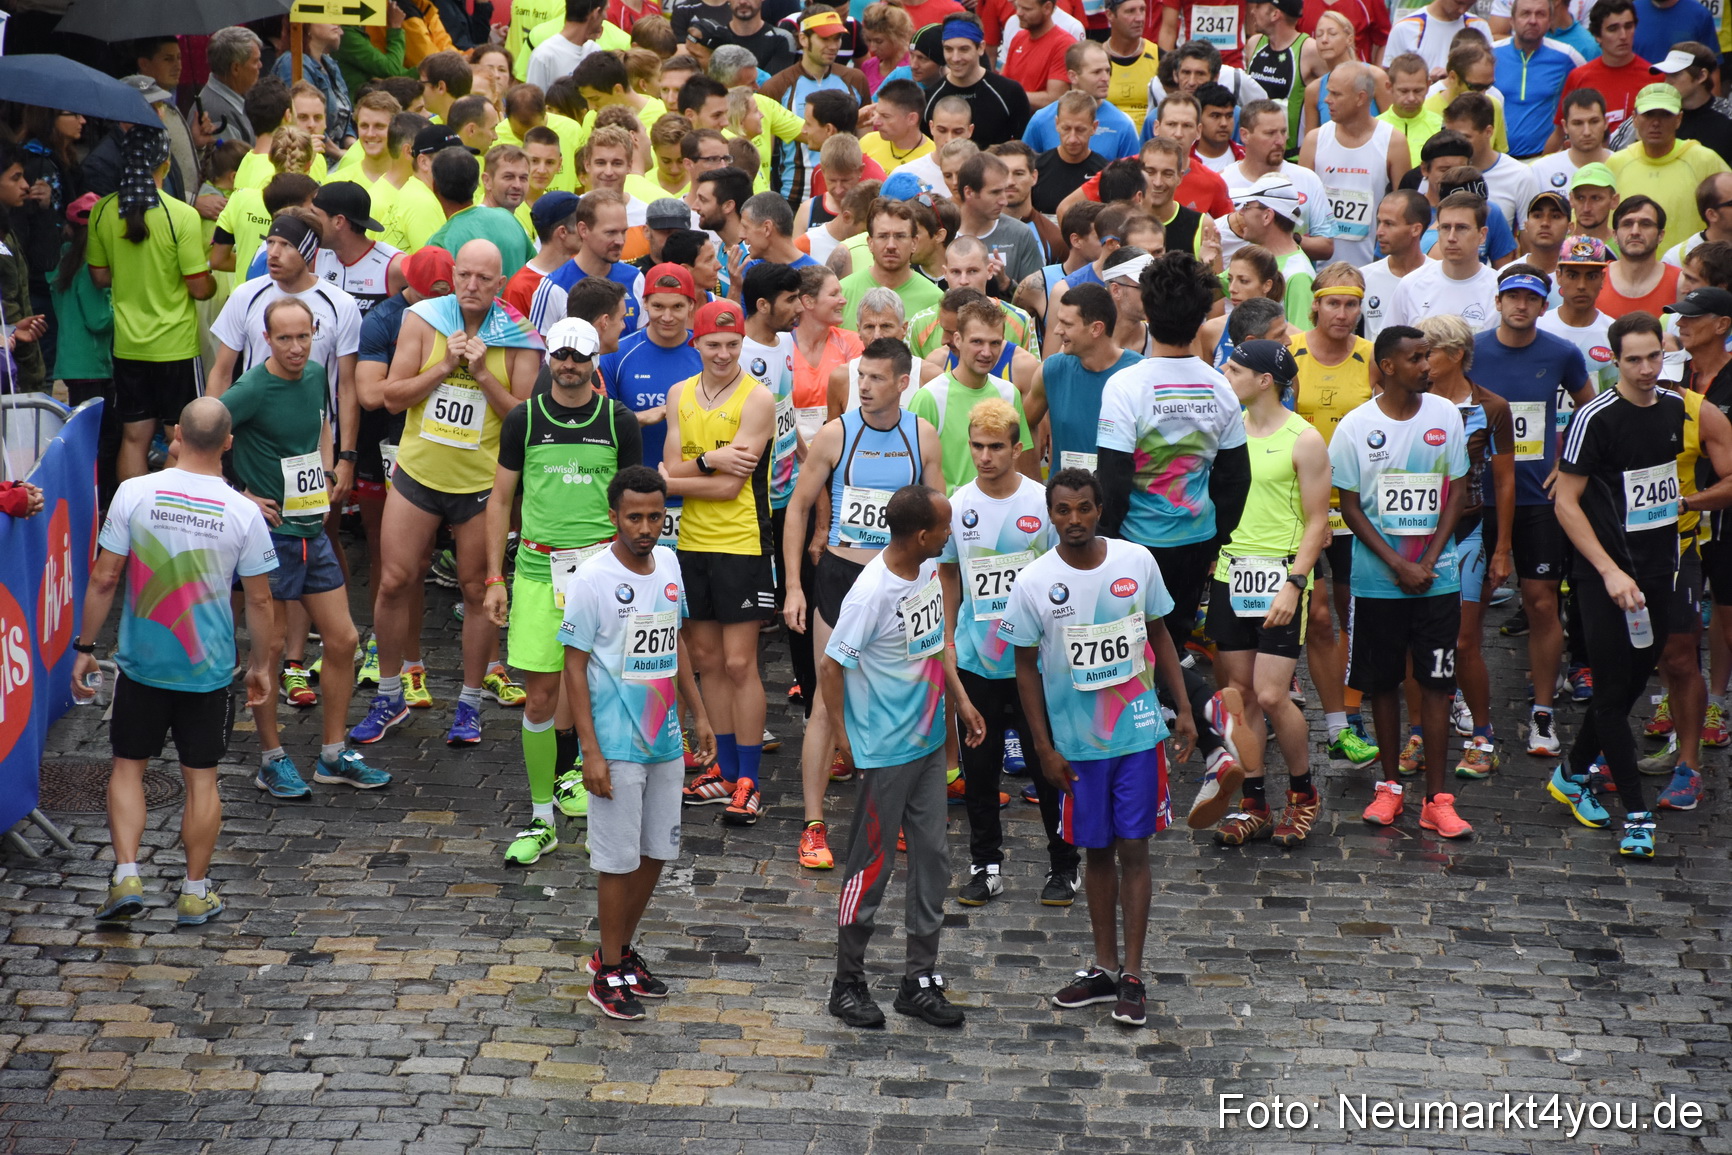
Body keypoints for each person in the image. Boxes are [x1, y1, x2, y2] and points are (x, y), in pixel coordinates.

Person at [1003, 468, 1196, 1027]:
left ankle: (1132, 975)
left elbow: (1160, 634)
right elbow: (1024, 668)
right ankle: (1104, 969)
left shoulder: (1136, 562)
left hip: (1136, 736)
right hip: (1077, 747)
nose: (1074, 521)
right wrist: (1042, 747)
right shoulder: (1034, 581)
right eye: (1063, 511)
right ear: (1050, 513)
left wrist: (1181, 708)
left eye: (1084, 508)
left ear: (1100, 508)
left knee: (1134, 850)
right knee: (1097, 853)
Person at [74, 399, 276, 926]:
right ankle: (194, 890)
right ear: (229, 443)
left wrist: (85, 647)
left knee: (127, 768)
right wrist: (261, 665)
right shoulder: (244, 512)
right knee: (202, 778)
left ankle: (125, 875)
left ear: (178, 437)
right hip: (206, 670)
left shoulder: (135, 492)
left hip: (142, 663)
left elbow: (103, 578)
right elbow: (259, 602)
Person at [351, 240, 544, 748]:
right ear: (453, 276)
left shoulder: (521, 338)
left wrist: (481, 373)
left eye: (485, 278)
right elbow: (389, 395)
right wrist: (442, 367)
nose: (473, 287)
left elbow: (524, 420)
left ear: (500, 284)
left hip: (482, 486)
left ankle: (470, 703)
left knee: (477, 592)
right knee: (394, 581)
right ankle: (389, 694)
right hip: (418, 475)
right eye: (465, 276)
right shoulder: (424, 320)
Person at [821, 483, 982, 1030]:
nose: (950, 534)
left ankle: (920, 980)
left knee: (933, 858)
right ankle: (846, 983)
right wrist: (844, 738)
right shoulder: (871, 594)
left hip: (928, 743)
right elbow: (830, 664)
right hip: (884, 752)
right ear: (921, 536)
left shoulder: (926, 571)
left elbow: (933, 641)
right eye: (944, 528)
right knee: (871, 866)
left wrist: (959, 702)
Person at [483, 315, 642, 864]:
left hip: (602, 574)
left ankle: (579, 776)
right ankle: (540, 814)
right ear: (549, 357)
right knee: (541, 697)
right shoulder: (524, 420)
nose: (568, 365)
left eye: (579, 356)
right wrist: (491, 578)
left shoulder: (618, 420)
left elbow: (634, 502)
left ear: (595, 360)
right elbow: (500, 500)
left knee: (601, 690)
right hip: (536, 574)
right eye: (560, 355)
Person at [783, 337, 945, 868]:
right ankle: (813, 825)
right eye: (861, 378)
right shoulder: (836, 434)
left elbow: (937, 510)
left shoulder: (920, 435)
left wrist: (940, 585)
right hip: (842, 576)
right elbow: (797, 509)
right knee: (827, 703)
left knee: (895, 701)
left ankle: (887, 815)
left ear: (903, 383)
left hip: (899, 582)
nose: (866, 388)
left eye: (877, 379)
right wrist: (794, 586)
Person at [219, 297, 389, 799]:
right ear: (266, 340)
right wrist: (241, 496)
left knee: (343, 641)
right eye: (285, 339)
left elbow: (322, 423)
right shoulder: (250, 388)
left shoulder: (316, 374)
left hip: (311, 529)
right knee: (267, 651)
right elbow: (194, 437)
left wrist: (333, 462)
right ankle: (271, 759)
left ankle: (333, 755)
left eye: (303, 337)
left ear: (315, 333)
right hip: (268, 537)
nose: (296, 348)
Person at [564, 464, 715, 1020]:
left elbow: (675, 642)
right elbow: (573, 669)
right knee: (617, 860)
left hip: (664, 738)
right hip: (615, 742)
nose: (646, 527)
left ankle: (618, 952)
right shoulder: (591, 580)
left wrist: (699, 713)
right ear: (613, 517)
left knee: (656, 851)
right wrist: (591, 752)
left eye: (655, 516)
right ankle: (607, 969)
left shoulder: (670, 564)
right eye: (635, 517)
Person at [1550, 313, 1695, 857]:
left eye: (1653, 357)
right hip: (1604, 576)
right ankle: (1636, 814)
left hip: (1660, 571)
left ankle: (1570, 773)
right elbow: (1565, 502)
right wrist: (1610, 571)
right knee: (1611, 699)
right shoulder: (1596, 416)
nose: (1644, 369)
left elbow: (1655, 486)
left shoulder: (1675, 408)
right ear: (1614, 360)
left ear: (1665, 354)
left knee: (1630, 687)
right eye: (1632, 359)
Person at [1329, 324, 1473, 837]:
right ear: (1388, 366)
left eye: (1428, 356)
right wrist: (1397, 563)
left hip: (1437, 580)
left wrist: (1428, 560)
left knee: (1436, 685)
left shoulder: (1446, 416)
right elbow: (1349, 505)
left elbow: (1456, 490)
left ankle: (1438, 798)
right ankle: (1390, 788)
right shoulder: (1353, 427)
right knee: (1383, 683)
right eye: (1416, 358)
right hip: (1377, 584)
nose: (1427, 366)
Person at [937, 399, 1080, 904]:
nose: (985, 456)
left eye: (996, 447)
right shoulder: (958, 504)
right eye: (977, 446)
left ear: (1017, 449)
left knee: (1047, 767)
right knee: (979, 772)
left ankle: (1064, 863)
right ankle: (986, 863)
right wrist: (949, 637)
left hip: (1036, 666)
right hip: (977, 661)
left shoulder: (1042, 503)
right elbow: (950, 572)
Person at [1200, 340, 1331, 846]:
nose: (1224, 374)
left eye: (1233, 369)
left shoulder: (1304, 439)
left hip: (1280, 576)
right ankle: (1253, 802)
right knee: (1241, 696)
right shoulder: (1221, 432)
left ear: (1264, 380)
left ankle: (1303, 796)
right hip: (1232, 573)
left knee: (1274, 694)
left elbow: (1319, 521)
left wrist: (1296, 584)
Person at [664, 301, 777, 825]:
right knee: (707, 660)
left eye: (733, 345)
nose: (724, 354)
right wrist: (708, 460)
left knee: (738, 664)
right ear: (697, 344)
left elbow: (733, 486)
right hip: (693, 541)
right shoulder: (679, 395)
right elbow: (668, 471)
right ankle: (725, 774)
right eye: (714, 344)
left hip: (742, 542)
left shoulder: (758, 400)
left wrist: (683, 477)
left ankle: (749, 779)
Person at [1411, 312, 1515, 781]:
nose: (1420, 361)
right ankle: (1417, 734)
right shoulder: (1407, 400)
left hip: (1467, 532)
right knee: (1416, 641)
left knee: (1465, 640)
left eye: (1427, 352)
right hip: (1413, 532)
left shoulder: (1492, 406)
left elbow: (1505, 482)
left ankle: (1483, 736)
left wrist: (1502, 549)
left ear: (1454, 354)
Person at [84, 127, 216, 483]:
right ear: (166, 163)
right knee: (179, 437)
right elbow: (199, 287)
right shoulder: (181, 215)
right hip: (176, 346)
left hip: (128, 346)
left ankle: (132, 519)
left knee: (133, 438)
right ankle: (166, 516)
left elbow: (99, 277)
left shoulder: (102, 211)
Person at [1289, 263, 1381, 768]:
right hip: (1301, 504)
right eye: (1334, 302)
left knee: (1352, 609)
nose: (1343, 314)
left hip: (1354, 504)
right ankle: (1324, 712)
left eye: (1352, 304)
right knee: (1319, 612)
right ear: (1316, 306)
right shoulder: (1292, 352)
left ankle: (1351, 706)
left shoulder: (1371, 357)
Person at [1297, 62, 1407, 267]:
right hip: (1319, 269)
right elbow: (1301, 206)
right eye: (1328, 92)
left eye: (1336, 94)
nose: (1327, 100)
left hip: (1372, 266)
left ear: (1361, 98)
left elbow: (1405, 212)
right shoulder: (1314, 140)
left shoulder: (1393, 142)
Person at [1030, 283, 1143, 475]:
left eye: (1067, 324)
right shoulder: (1051, 370)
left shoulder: (1140, 373)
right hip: (1065, 500)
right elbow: (1020, 427)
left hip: (1124, 500)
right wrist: (1031, 480)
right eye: (1059, 321)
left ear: (1096, 329)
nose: (1057, 330)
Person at [1606, 84, 1732, 247]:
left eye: (1665, 114)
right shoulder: (1616, 163)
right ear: (1635, 118)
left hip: (1688, 269)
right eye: (1649, 114)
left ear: (1679, 119)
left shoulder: (1705, 160)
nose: (1656, 122)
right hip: (1626, 266)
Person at [1387, 191, 1499, 331]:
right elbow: (1389, 347)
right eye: (1445, 228)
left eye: (1461, 228)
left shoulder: (1498, 288)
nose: (1451, 237)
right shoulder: (1411, 285)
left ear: (1482, 235)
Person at [923, 15, 1034, 150]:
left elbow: (1025, 150)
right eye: (949, 49)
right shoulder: (929, 97)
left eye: (964, 49)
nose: (955, 58)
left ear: (981, 48)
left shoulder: (1009, 92)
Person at [1494, 0, 1585, 159]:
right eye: (1525, 13)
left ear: (1550, 21)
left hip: (1545, 159)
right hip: (1498, 161)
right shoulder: (1490, 54)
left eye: (1540, 14)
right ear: (1512, 21)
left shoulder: (1567, 56)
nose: (1533, 20)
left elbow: (1588, 96)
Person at [1549, 0, 1648, 144]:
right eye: (1613, 29)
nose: (1623, 35)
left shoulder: (1654, 77)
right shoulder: (1578, 77)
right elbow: (1559, 134)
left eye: (1628, 26)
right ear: (1597, 35)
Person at [1225, 175, 1316, 328]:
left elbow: (1301, 343)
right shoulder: (1253, 259)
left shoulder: (1298, 275)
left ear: (1267, 216)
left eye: (1247, 206)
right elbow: (1210, 290)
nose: (1241, 213)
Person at [1361, 188, 1430, 340]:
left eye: (1389, 224)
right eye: (1379, 222)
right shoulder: (1363, 277)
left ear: (1416, 229)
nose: (1379, 231)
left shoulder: (1437, 277)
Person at [1598, 195, 1680, 314]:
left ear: (1660, 235)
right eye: (1627, 224)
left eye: (1645, 224)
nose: (1635, 232)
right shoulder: (1595, 279)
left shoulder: (1680, 283)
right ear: (1615, 235)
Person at [1530, 89, 1612, 195]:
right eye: (1577, 123)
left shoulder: (1623, 166)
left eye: (1594, 122)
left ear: (1606, 122)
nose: (1587, 132)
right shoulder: (1540, 171)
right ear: (1565, 126)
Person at [1380, 0, 1489, 75]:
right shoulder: (1404, 27)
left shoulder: (1480, 26)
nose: (1462, 10)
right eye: (1458, 2)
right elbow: (1391, 76)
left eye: (1470, 4)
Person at [203, 25, 267, 145]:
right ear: (236, 68)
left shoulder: (232, 101)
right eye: (255, 61)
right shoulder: (219, 117)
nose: (260, 65)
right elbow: (233, 163)